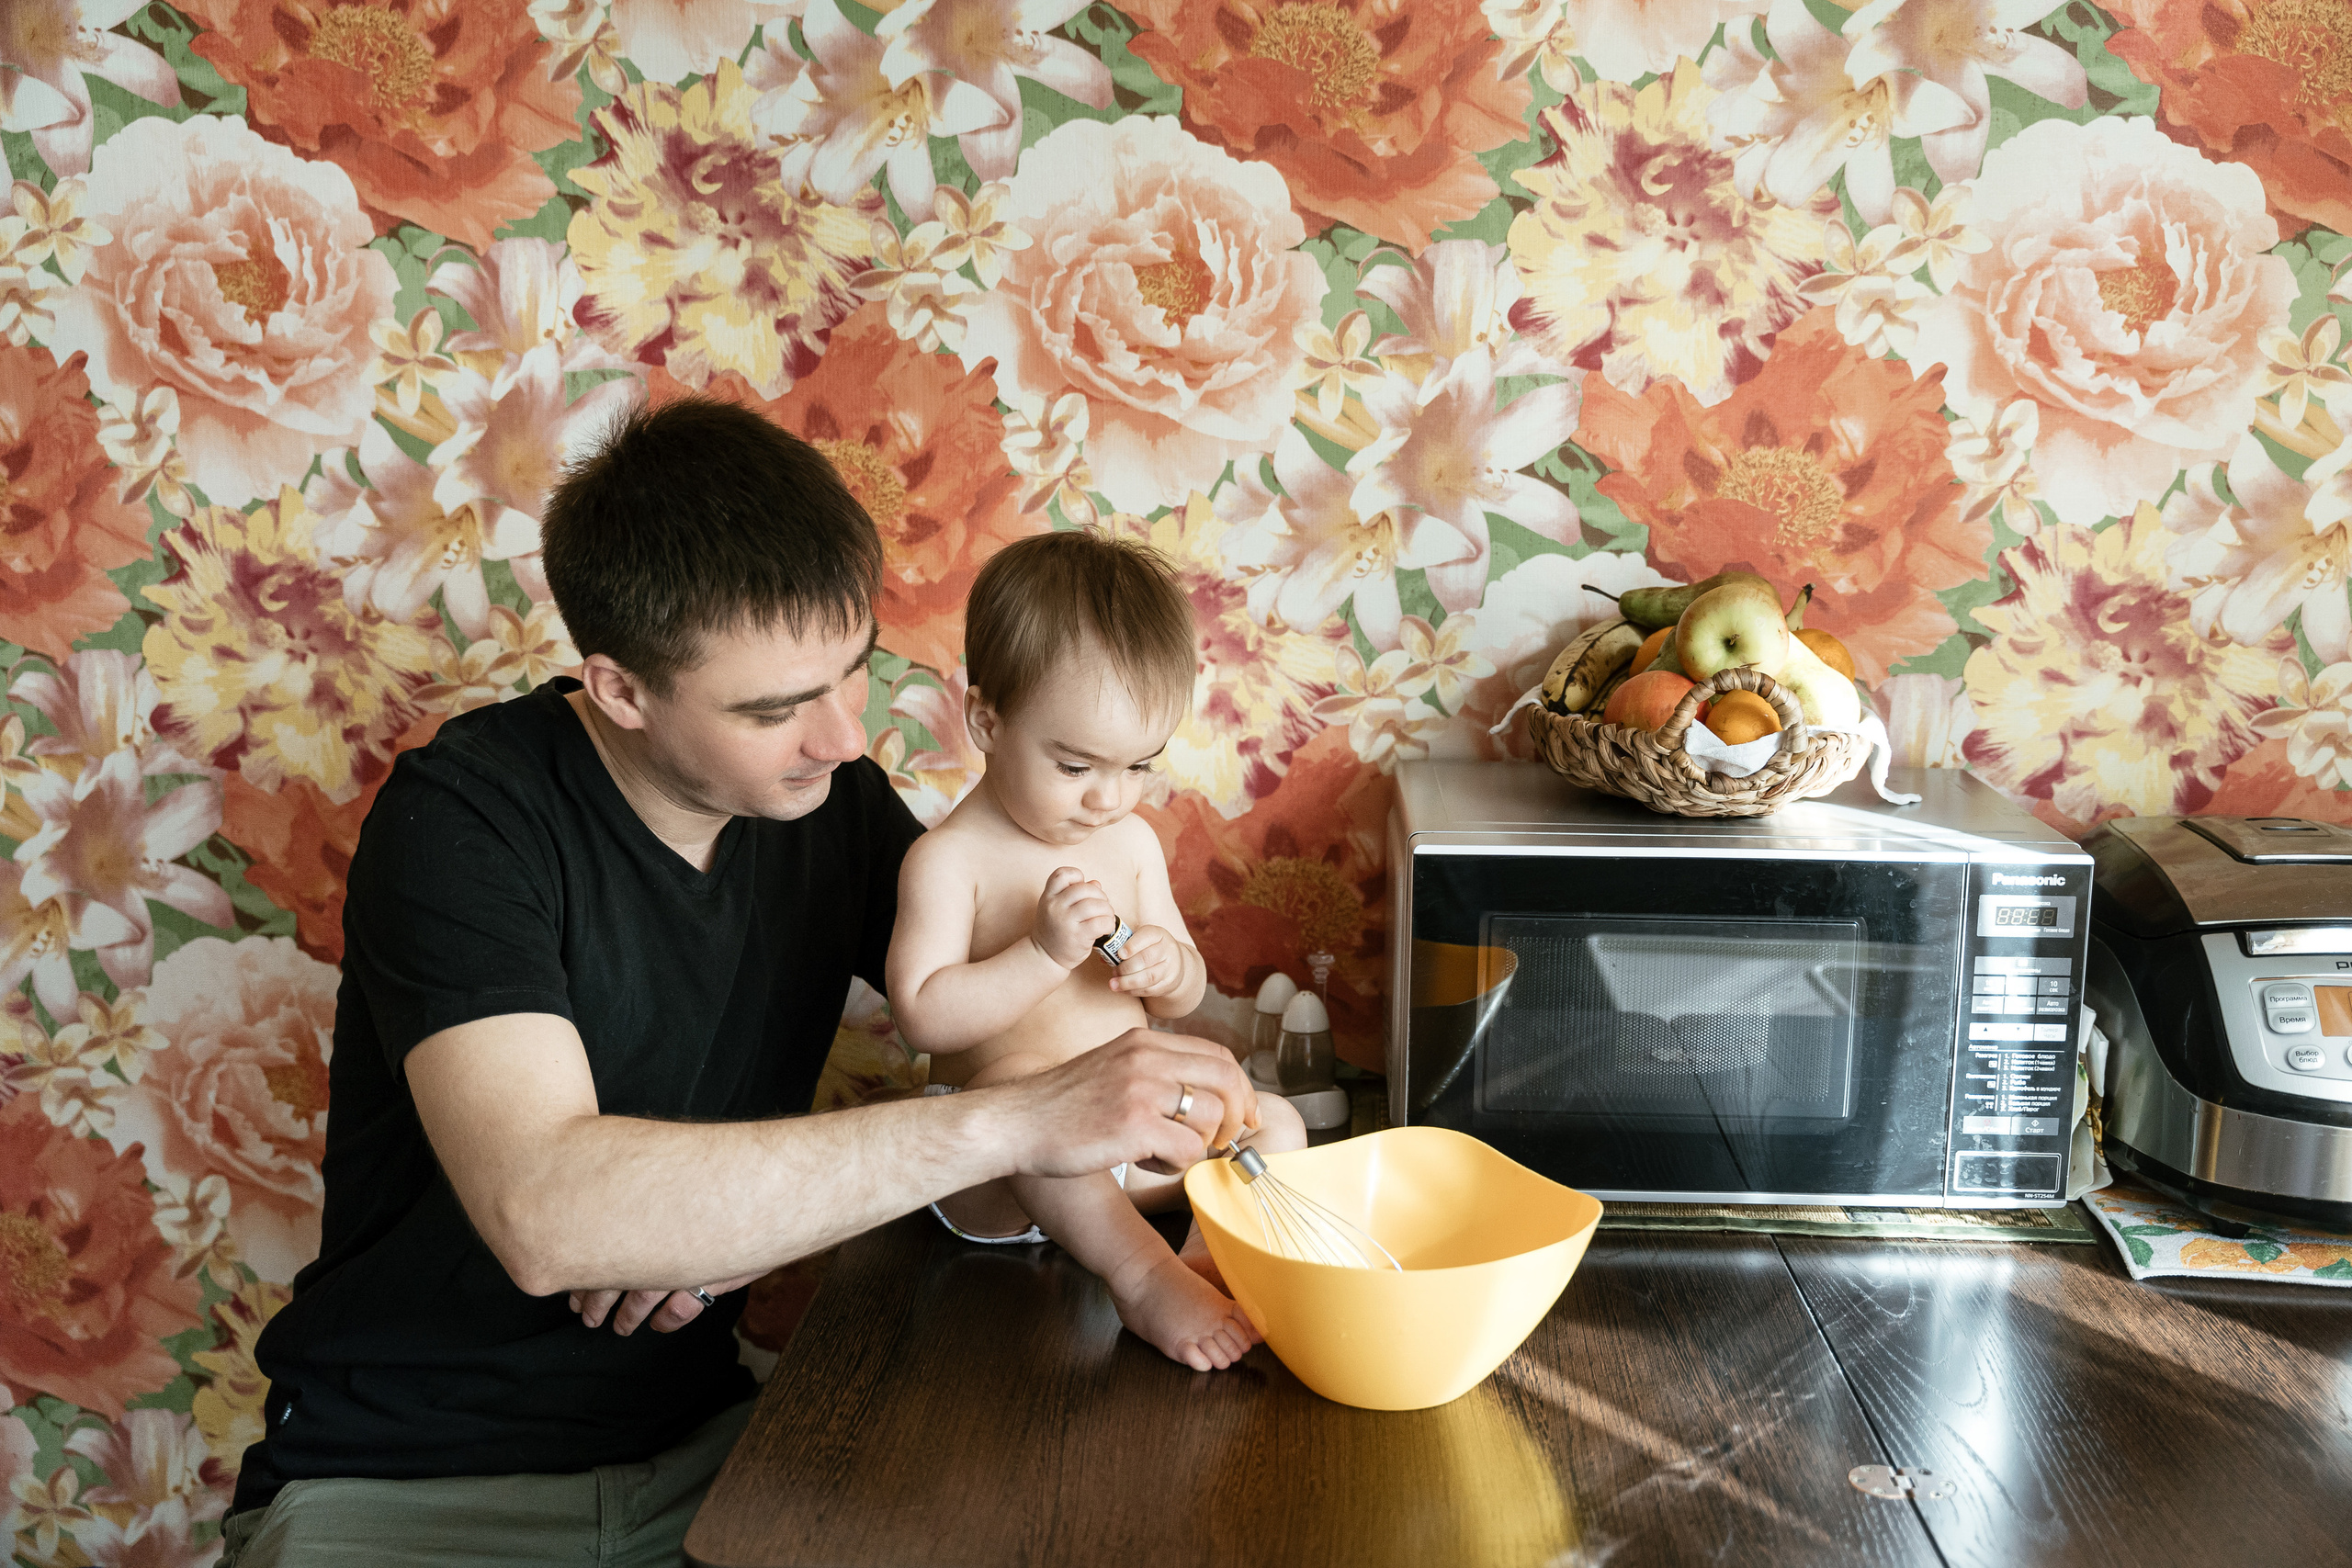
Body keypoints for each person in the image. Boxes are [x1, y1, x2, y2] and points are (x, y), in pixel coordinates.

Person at [218, 398, 1261, 1567]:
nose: (841, 740)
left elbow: (985, 1014)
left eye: (849, 677)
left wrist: (720, 1223)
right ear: (621, 690)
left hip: (712, 1446)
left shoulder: (827, 806)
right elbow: (551, 1214)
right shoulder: (464, 822)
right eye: (773, 710)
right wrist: (1020, 1121)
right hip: (406, 1484)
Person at [887, 531, 1306, 1372]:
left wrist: (1166, 965)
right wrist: (1042, 953)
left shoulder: (1130, 842)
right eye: (1075, 764)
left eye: (1137, 766)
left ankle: (1195, 1262)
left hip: (1125, 1150)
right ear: (987, 720)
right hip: (1006, 1176)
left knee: (1280, 1125)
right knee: (1012, 1088)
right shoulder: (949, 860)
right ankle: (1142, 1276)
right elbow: (921, 1013)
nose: (1108, 797)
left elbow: (1185, 995)